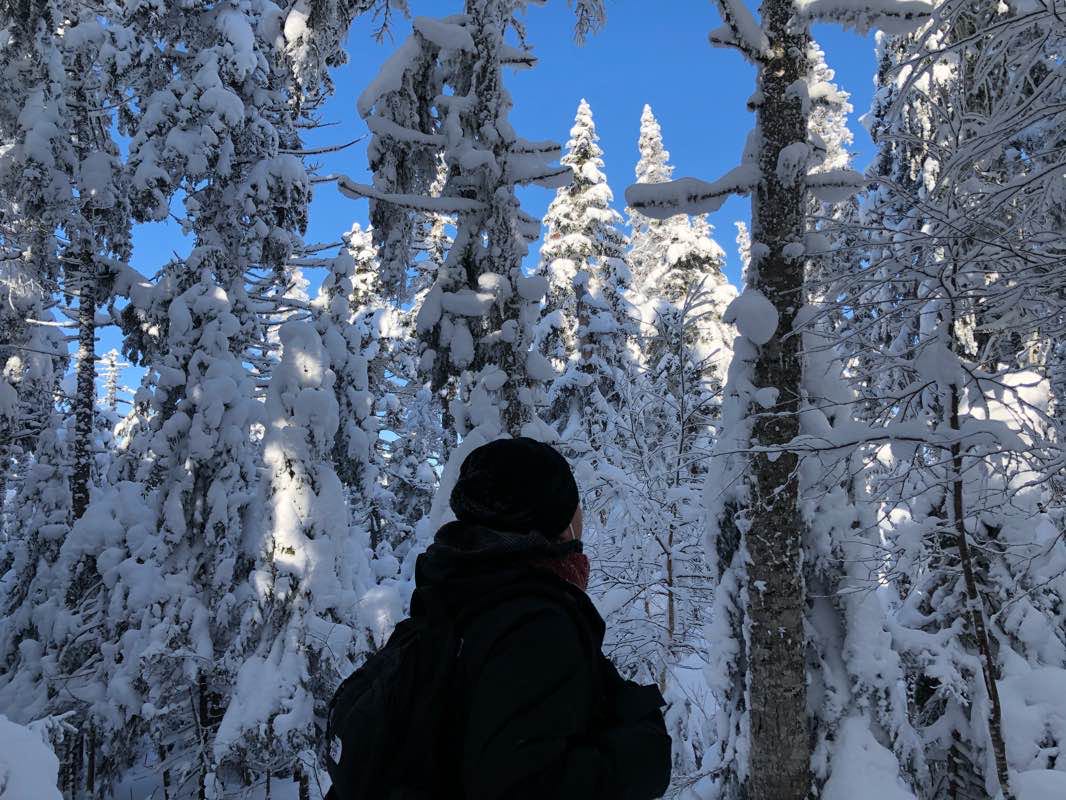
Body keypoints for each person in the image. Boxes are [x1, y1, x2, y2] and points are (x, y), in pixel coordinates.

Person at [409, 436, 672, 799]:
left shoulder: (459, 589)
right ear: (557, 518)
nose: (582, 512)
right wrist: (637, 756)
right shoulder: (534, 624)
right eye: (574, 501)